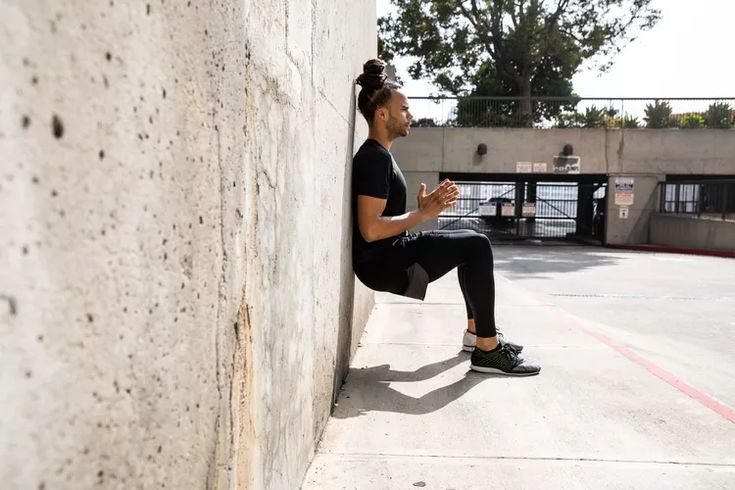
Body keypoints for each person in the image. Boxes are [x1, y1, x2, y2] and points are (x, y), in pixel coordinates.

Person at [351, 59, 540, 376]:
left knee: (471, 244)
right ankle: (488, 349)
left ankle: (477, 336)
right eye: (405, 109)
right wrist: (420, 214)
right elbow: (369, 229)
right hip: (383, 263)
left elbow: (380, 221)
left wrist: (417, 212)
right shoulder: (373, 158)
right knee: (477, 245)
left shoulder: (380, 155)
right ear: (382, 114)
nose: (410, 115)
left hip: (390, 254)